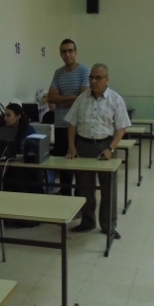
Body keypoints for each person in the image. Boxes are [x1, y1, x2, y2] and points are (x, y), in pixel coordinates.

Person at [65, 64, 130, 239]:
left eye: (98, 78)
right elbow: (72, 124)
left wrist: (111, 148)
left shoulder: (115, 99)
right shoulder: (82, 99)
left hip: (105, 145)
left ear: (107, 79)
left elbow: (121, 128)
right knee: (84, 187)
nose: (93, 81)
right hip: (83, 145)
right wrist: (72, 146)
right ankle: (87, 222)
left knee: (108, 188)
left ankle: (108, 225)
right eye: (91, 77)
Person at [48, 39, 90, 195]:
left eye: (70, 50)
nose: (67, 54)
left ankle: (79, 200)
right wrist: (72, 97)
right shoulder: (58, 73)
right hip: (60, 125)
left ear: (76, 52)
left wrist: (61, 99)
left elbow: (83, 98)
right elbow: (50, 98)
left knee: (78, 167)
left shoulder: (84, 71)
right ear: (60, 54)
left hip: (79, 127)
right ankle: (65, 198)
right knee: (63, 166)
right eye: (64, 51)